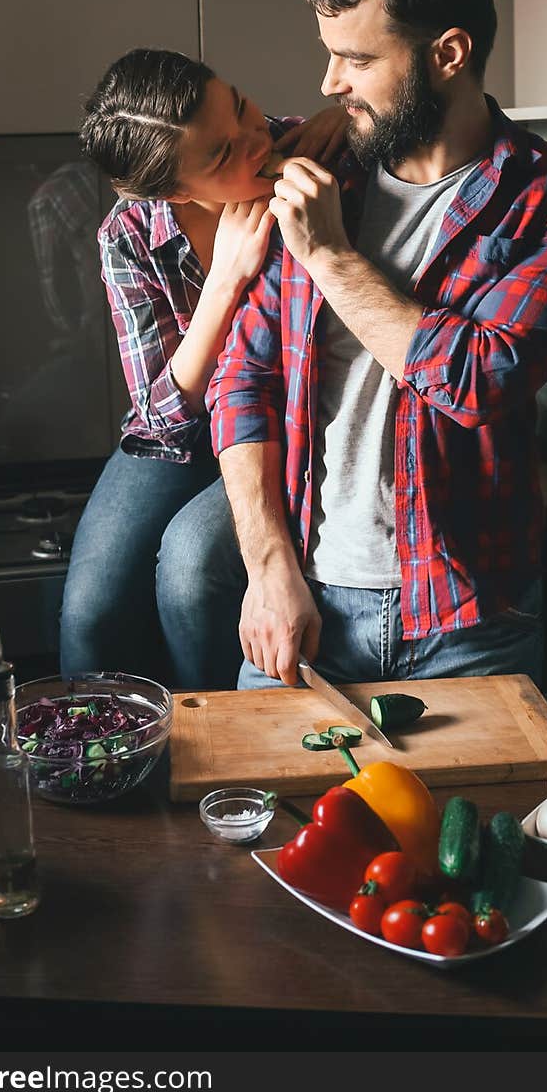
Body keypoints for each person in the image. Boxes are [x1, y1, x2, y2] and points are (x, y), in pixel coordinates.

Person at [189, 0, 547, 693]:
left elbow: (480, 379)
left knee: (481, 823)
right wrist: (268, 569)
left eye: (355, 58)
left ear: (448, 53)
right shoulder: (320, 173)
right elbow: (242, 382)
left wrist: (327, 256)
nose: (330, 82)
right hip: (305, 611)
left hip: (474, 621)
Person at [58, 47, 346, 687]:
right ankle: (92, 763)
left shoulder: (308, 157)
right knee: (89, 614)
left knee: (188, 568)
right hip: (181, 436)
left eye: (242, 106)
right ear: (174, 189)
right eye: (221, 155)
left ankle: (215, 738)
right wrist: (224, 282)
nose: (255, 138)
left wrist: (346, 115)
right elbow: (162, 410)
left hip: (274, 426)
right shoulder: (129, 231)